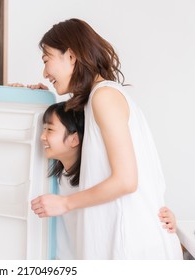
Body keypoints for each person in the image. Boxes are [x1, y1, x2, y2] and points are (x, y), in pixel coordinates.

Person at [15, 18, 182, 259]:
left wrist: (65, 204)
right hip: (128, 244)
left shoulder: (104, 96)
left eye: (46, 60)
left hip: (134, 247)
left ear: (70, 56)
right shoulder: (97, 99)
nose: (44, 72)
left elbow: (126, 180)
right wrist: (35, 103)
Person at [35, 101, 179, 259]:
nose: (42, 137)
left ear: (74, 139)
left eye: (49, 129)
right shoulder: (59, 174)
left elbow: (128, 203)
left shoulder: (95, 180)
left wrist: (161, 216)